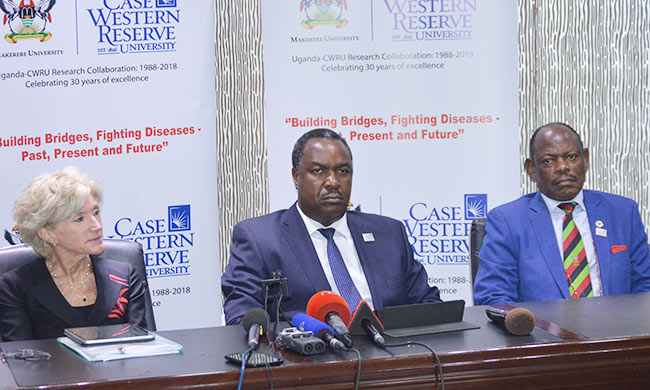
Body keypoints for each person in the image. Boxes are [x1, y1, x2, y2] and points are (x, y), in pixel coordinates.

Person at [222, 128, 440, 325]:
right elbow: (242, 320)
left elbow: (430, 306)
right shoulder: (260, 239)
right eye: (318, 171)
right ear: (296, 177)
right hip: (310, 363)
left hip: (392, 359)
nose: (333, 182)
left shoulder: (389, 233)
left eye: (343, 171)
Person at [474, 122, 650, 305]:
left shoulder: (622, 212)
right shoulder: (508, 222)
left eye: (572, 157)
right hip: (540, 332)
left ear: (586, 159)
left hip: (617, 330)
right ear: (532, 169)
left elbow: (645, 284)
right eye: (549, 160)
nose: (563, 167)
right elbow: (494, 297)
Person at [0, 167, 148, 341]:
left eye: (96, 213)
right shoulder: (16, 286)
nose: (97, 226)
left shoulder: (125, 276)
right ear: (47, 233)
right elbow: (20, 360)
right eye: (79, 219)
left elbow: (142, 348)